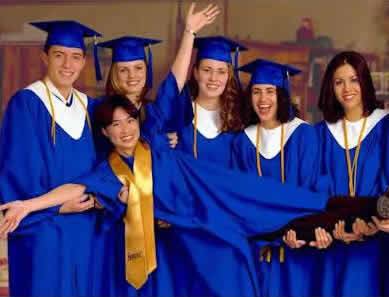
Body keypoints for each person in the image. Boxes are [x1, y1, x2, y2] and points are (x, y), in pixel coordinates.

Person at [0, 20, 115, 297]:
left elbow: (106, 166)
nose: (67, 64)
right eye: (59, 55)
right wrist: (58, 208)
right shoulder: (27, 103)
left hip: (85, 229)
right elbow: (18, 173)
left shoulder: (90, 108)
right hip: (44, 231)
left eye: (75, 57)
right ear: (45, 57)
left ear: (84, 61)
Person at [232, 58, 332, 297]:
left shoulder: (303, 135)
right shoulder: (242, 141)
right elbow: (239, 198)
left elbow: (311, 190)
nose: (263, 100)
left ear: (282, 94)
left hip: (297, 251)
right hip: (257, 255)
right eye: (256, 92)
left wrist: (296, 231)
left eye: (270, 91)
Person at [315, 50, 388, 297]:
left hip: (375, 244)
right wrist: (329, 225)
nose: (347, 88)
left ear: (364, 82)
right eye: (339, 81)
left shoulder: (385, 126)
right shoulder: (321, 134)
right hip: (333, 243)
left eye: (354, 79)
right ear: (330, 87)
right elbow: (317, 187)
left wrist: (372, 224)